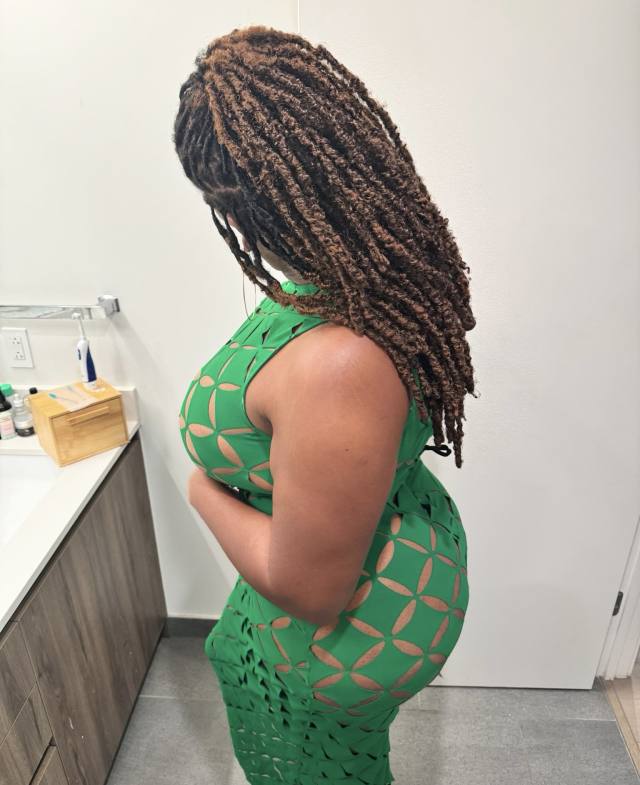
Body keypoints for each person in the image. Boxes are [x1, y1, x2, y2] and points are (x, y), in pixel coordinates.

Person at [173, 24, 477, 785]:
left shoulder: (341, 361)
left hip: (340, 637)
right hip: (381, 562)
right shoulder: (368, 275)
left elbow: (312, 592)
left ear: (252, 208)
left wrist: (201, 489)